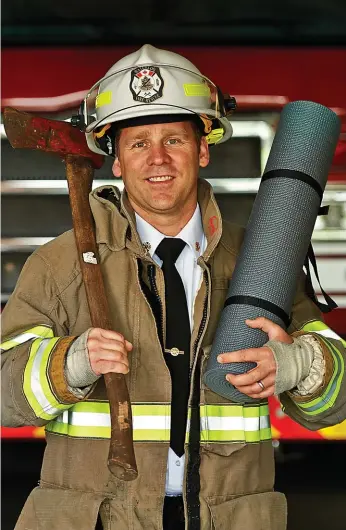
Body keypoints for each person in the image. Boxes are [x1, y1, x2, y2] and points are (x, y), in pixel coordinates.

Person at [1, 44, 346, 530]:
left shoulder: (263, 263)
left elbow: (337, 400)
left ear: (202, 149)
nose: (157, 158)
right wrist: (68, 364)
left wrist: (302, 365)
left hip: (230, 518)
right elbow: (2, 393)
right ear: (116, 159)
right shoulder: (58, 265)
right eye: (138, 142)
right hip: (96, 518)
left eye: (174, 140)